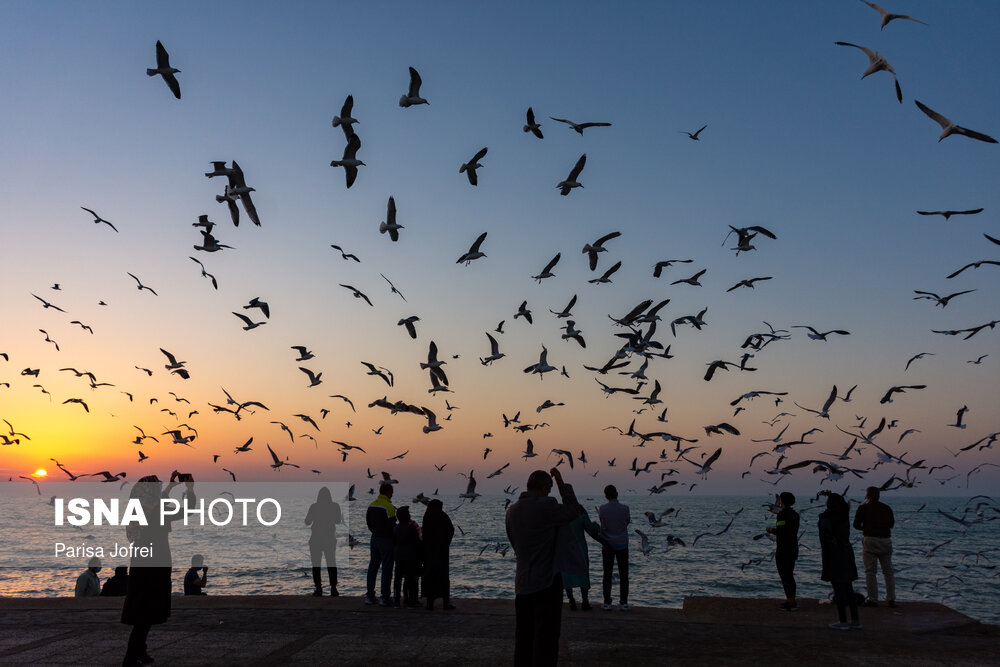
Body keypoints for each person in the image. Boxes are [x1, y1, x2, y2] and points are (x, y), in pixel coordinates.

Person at [505, 468, 581, 667]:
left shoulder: (511, 511)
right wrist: (561, 482)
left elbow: (514, 543)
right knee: (546, 639)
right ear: (546, 487)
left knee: (523, 637)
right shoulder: (547, 506)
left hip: (522, 584)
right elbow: (574, 510)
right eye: (549, 490)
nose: (549, 494)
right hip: (546, 583)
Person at [121, 472, 193, 666]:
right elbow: (189, 509)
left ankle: (140, 651)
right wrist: (190, 489)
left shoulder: (140, 508)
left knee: (142, 611)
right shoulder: (158, 511)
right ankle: (130, 658)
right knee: (146, 612)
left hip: (140, 563)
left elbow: (158, 502)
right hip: (156, 564)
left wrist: (170, 487)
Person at [818, 492, 860, 630]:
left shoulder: (827, 516)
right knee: (848, 588)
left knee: (838, 589)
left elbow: (827, 533)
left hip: (834, 555)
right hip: (847, 553)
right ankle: (855, 621)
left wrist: (833, 542)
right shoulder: (844, 515)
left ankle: (843, 621)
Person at [854, 486, 896, 608]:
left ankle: (873, 599)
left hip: (870, 540)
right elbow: (891, 524)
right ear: (879, 495)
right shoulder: (886, 508)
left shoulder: (863, 508)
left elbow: (856, 525)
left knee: (870, 571)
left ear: (867, 495)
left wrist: (866, 528)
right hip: (885, 540)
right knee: (888, 571)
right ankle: (891, 599)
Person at [561, 507, 603, 611]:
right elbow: (593, 529)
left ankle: (571, 601)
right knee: (583, 575)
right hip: (580, 550)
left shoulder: (561, 519)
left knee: (567, 576)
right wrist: (596, 523)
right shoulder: (580, 518)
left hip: (566, 550)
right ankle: (585, 601)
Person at [597, 484, 630, 611]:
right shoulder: (625, 508)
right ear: (617, 494)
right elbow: (626, 522)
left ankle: (607, 602)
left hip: (608, 544)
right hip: (622, 543)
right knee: (624, 574)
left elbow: (602, 523)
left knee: (607, 573)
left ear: (606, 495)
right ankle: (623, 603)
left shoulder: (602, 508)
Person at [305, 486, 342, 596]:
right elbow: (338, 521)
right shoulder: (335, 506)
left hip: (316, 538)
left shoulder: (314, 506)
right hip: (329, 538)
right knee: (331, 563)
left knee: (316, 564)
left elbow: (307, 522)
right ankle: (333, 588)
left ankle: (318, 588)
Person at [766, 491, 800, 611]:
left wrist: (770, 530)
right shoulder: (796, 514)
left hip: (784, 549)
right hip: (793, 547)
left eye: (780, 499)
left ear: (782, 501)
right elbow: (790, 530)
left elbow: (781, 530)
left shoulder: (782, 514)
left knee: (785, 575)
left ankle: (791, 603)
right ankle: (792, 599)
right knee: (790, 575)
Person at [366, 481, 397, 606]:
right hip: (386, 540)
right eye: (392, 492)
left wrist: (375, 531)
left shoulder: (371, 505)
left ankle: (370, 596)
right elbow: (393, 525)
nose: (392, 495)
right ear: (388, 492)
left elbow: (368, 522)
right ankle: (384, 597)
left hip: (374, 538)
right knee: (387, 568)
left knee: (373, 567)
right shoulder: (389, 507)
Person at [422, 499, 455, 611]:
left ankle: (429, 603)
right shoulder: (443, 516)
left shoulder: (427, 516)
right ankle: (446, 602)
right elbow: (451, 530)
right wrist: (445, 544)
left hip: (429, 552)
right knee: (443, 577)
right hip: (442, 553)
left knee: (430, 577)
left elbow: (424, 533)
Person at [392, 506, 423, 608]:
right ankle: (410, 601)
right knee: (410, 579)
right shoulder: (411, 528)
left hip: (398, 556)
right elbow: (417, 543)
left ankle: (396, 600)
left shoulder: (396, 528)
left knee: (397, 579)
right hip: (410, 557)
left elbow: (394, 542)